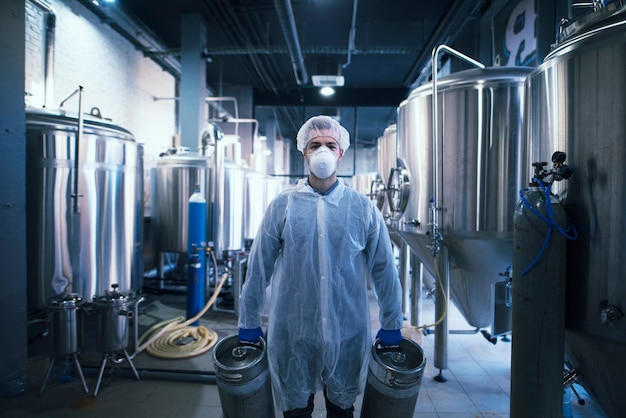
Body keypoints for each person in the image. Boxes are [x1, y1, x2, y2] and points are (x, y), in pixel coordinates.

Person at [238, 115, 403, 418]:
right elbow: (259, 265)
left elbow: (384, 270)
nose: (322, 151)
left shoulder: (362, 209)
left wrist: (392, 322)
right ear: (304, 152)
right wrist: (248, 319)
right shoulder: (282, 206)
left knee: (342, 411)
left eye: (330, 145)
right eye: (315, 145)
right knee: (296, 412)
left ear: (341, 153)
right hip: (294, 333)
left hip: (347, 333)